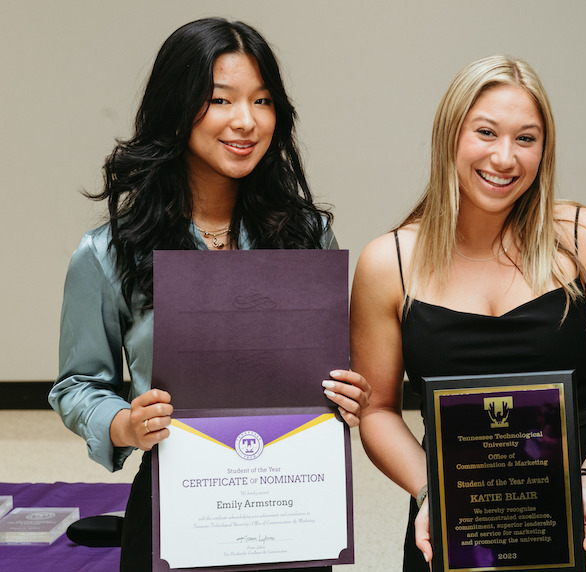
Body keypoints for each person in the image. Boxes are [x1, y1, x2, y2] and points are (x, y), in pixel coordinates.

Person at [48, 18, 370, 571]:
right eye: (221, 100)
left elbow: (335, 368)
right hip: (177, 504)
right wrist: (125, 423)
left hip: (290, 505)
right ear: (177, 111)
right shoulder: (109, 253)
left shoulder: (309, 236)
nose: (246, 121)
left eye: (263, 101)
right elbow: (77, 385)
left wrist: (350, 394)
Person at [352, 55, 586, 571]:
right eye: (485, 132)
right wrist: (431, 495)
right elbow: (378, 410)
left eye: (526, 138)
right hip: (457, 528)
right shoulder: (389, 263)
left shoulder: (583, 238)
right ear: (449, 136)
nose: (505, 157)